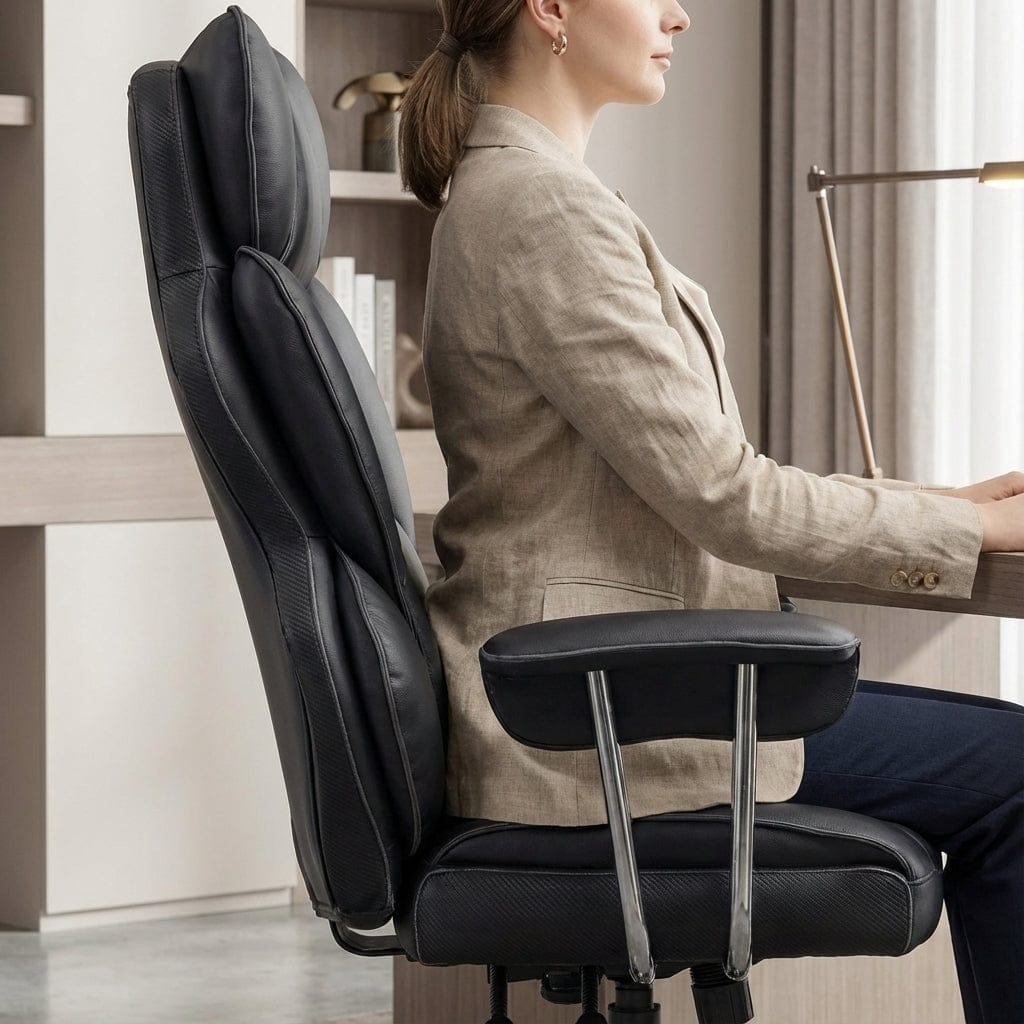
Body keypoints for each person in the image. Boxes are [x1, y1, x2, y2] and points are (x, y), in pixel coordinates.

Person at [396, 1, 1024, 1020]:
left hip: (600, 697)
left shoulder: (521, 191)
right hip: (601, 721)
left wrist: (943, 505)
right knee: (1013, 772)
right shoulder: (542, 209)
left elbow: (708, 473)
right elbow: (726, 498)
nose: (680, 15)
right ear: (551, 9)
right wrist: (971, 533)